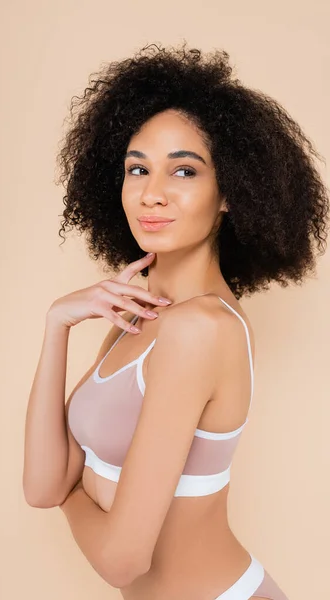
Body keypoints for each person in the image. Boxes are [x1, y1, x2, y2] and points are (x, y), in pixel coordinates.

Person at [23, 42, 329, 599]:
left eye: (183, 170)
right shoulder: (141, 315)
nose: (152, 193)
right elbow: (43, 486)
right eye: (137, 168)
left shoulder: (200, 329)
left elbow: (122, 559)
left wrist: (74, 496)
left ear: (231, 193)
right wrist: (56, 325)